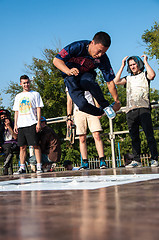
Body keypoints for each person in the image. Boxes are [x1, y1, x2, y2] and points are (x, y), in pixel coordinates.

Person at [53, 31, 121, 117]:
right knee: (82, 105)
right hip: (71, 78)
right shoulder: (77, 47)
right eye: (99, 51)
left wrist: (116, 100)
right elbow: (56, 60)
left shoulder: (103, 58)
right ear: (92, 43)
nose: (100, 55)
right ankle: (100, 113)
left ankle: (105, 106)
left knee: (87, 80)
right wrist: (68, 71)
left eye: (103, 52)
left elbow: (109, 81)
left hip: (86, 75)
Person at [114, 55, 158, 168]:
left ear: (138, 64)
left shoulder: (144, 75)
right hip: (130, 110)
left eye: (134, 64)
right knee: (134, 137)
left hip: (143, 108)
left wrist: (145, 61)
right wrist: (122, 65)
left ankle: (154, 158)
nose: (133, 67)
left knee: (149, 135)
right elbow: (116, 81)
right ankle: (137, 160)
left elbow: (152, 75)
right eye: (130, 65)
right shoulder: (128, 78)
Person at [67, 89, 107, 169]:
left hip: (91, 109)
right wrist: (69, 117)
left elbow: (94, 95)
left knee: (97, 135)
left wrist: (98, 109)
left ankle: (102, 160)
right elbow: (69, 101)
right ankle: (85, 162)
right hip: (78, 111)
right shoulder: (70, 82)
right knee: (82, 138)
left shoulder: (86, 78)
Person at [13, 75, 44, 174]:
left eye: (27, 82)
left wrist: (38, 122)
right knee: (22, 147)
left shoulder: (35, 94)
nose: (26, 84)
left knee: (35, 145)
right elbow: (16, 111)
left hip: (32, 122)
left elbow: (39, 108)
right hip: (21, 124)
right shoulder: (18, 96)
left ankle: (39, 166)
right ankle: (22, 167)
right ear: (21, 84)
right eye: (24, 83)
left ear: (30, 82)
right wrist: (15, 124)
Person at [0, 110, 19, 175]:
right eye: (1, 117)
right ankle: (6, 166)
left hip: (13, 143)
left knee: (8, 148)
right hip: (3, 144)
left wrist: (9, 127)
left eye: (4, 117)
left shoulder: (13, 125)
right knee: (7, 148)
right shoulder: (0, 127)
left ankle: (5, 168)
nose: (3, 119)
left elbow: (15, 137)